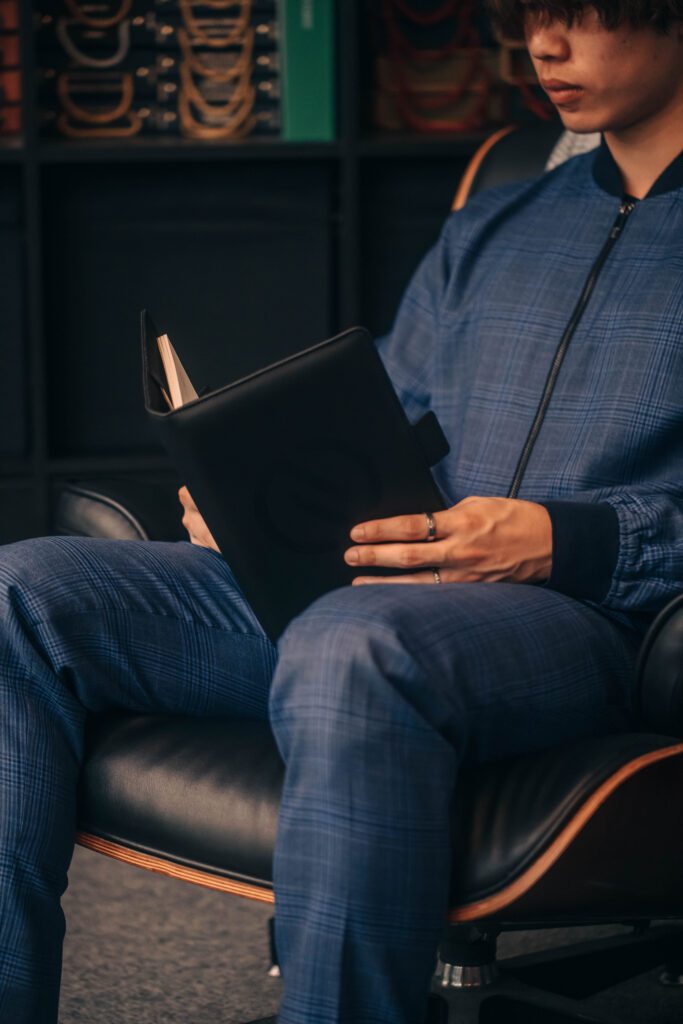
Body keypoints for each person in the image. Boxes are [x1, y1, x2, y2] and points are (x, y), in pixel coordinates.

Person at [1, 2, 682, 1021]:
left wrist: (566, 538)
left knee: (350, 641)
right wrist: (258, 494)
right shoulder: (495, 226)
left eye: (585, 15)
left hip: (586, 617)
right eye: (534, 15)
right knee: (22, 590)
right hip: (379, 580)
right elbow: (395, 424)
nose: (543, 45)